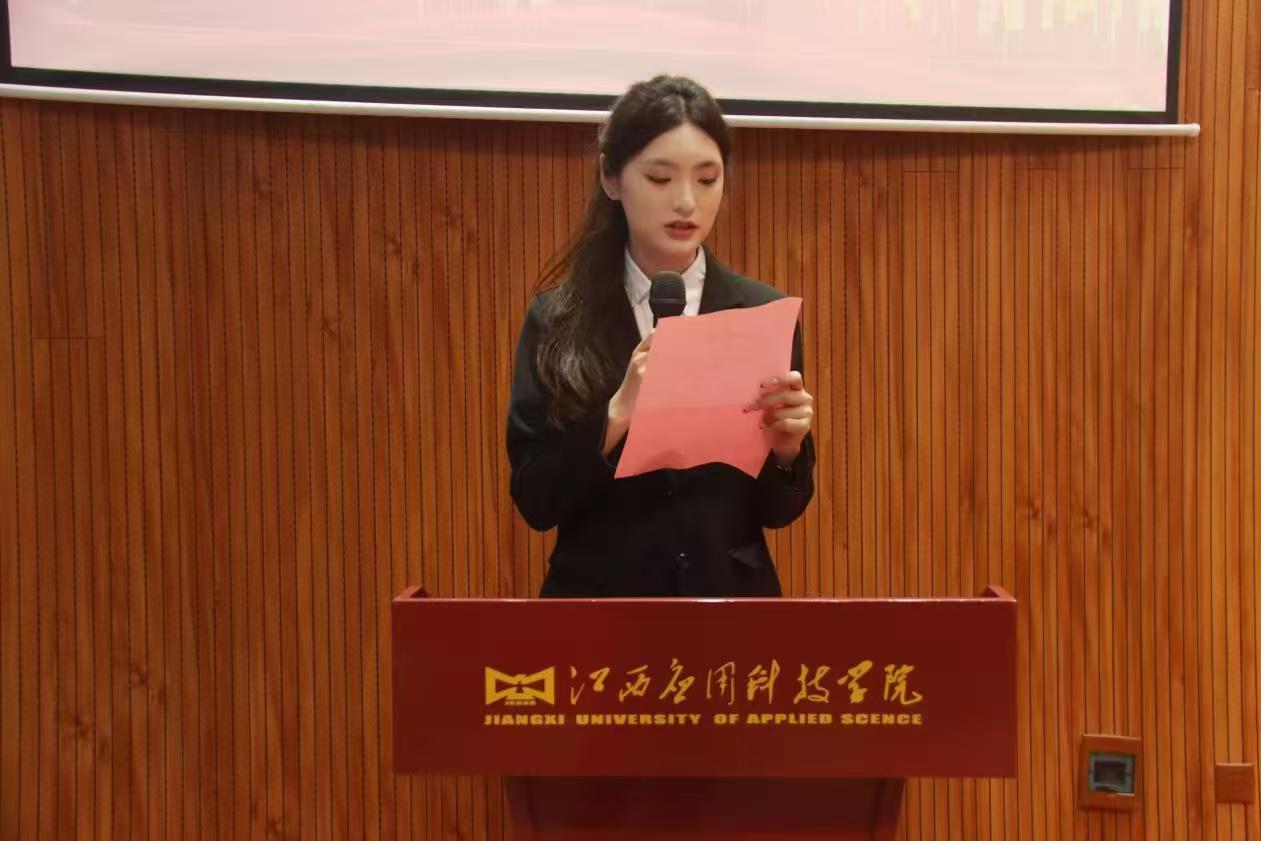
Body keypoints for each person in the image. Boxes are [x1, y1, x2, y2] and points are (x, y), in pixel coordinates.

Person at [506, 75, 816, 598]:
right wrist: (616, 416)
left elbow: (778, 511)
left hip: (728, 608)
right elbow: (536, 502)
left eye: (707, 179)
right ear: (611, 178)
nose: (686, 202)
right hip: (598, 609)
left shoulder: (760, 312)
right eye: (659, 178)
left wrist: (787, 452)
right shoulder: (557, 318)